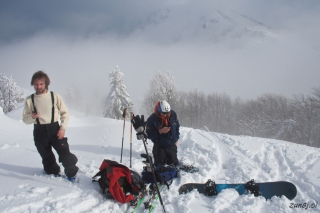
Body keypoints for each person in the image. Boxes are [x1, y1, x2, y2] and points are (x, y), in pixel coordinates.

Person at [22, 71, 78, 178]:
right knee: (47, 157)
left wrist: (62, 128)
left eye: (41, 84)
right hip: (39, 131)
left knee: (64, 152)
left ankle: (71, 171)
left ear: (46, 84)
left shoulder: (54, 96)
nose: (38, 87)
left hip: (55, 129)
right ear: (33, 84)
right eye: (36, 84)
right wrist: (32, 117)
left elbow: (65, 113)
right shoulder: (30, 100)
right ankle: (53, 175)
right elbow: (25, 119)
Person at [145, 100, 180, 167]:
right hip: (159, 146)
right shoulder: (152, 119)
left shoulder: (173, 115)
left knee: (174, 165)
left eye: (167, 113)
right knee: (159, 166)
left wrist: (176, 139)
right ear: (159, 111)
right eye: (163, 113)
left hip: (172, 145)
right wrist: (160, 131)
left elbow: (177, 127)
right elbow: (149, 134)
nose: (165, 115)